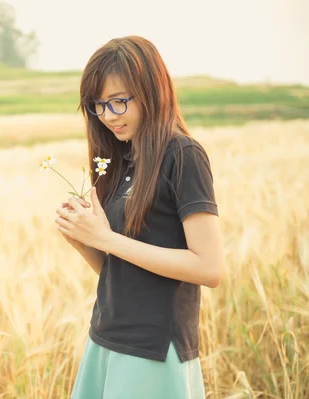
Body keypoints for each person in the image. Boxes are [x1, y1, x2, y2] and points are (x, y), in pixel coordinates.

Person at [54, 35, 225, 399]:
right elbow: (122, 270)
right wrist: (84, 241)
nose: (108, 117)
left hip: (154, 349)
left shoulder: (183, 155)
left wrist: (106, 238)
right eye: (99, 105)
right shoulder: (121, 157)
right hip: (105, 338)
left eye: (119, 102)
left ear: (152, 90)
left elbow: (209, 268)